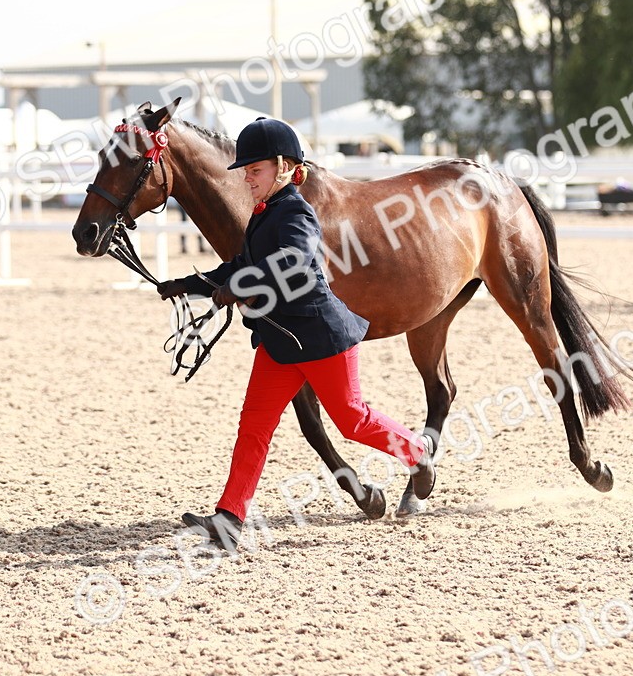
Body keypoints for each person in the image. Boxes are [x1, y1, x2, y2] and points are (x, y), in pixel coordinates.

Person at [156, 117, 436, 545]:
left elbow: (293, 262)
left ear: (285, 168)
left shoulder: (296, 212)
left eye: (256, 171)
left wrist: (240, 287)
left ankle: (416, 452)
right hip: (280, 343)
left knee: (352, 421)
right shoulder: (261, 214)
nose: (247, 180)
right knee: (253, 426)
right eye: (245, 172)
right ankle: (230, 518)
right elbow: (238, 267)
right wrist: (188, 285)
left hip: (322, 339)